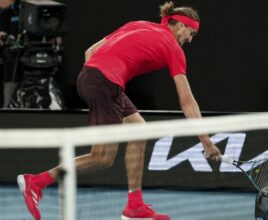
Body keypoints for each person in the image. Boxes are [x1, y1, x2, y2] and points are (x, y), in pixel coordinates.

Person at [17, 1, 222, 220]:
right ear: (180, 25)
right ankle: (36, 182)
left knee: (139, 131)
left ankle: (135, 206)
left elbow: (90, 52)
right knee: (102, 158)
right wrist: (206, 142)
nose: (189, 39)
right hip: (105, 83)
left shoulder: (138, 24)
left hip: (94, 77)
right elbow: (187, 102)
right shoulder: (173, 48)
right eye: (191, 33)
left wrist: (101, 80)